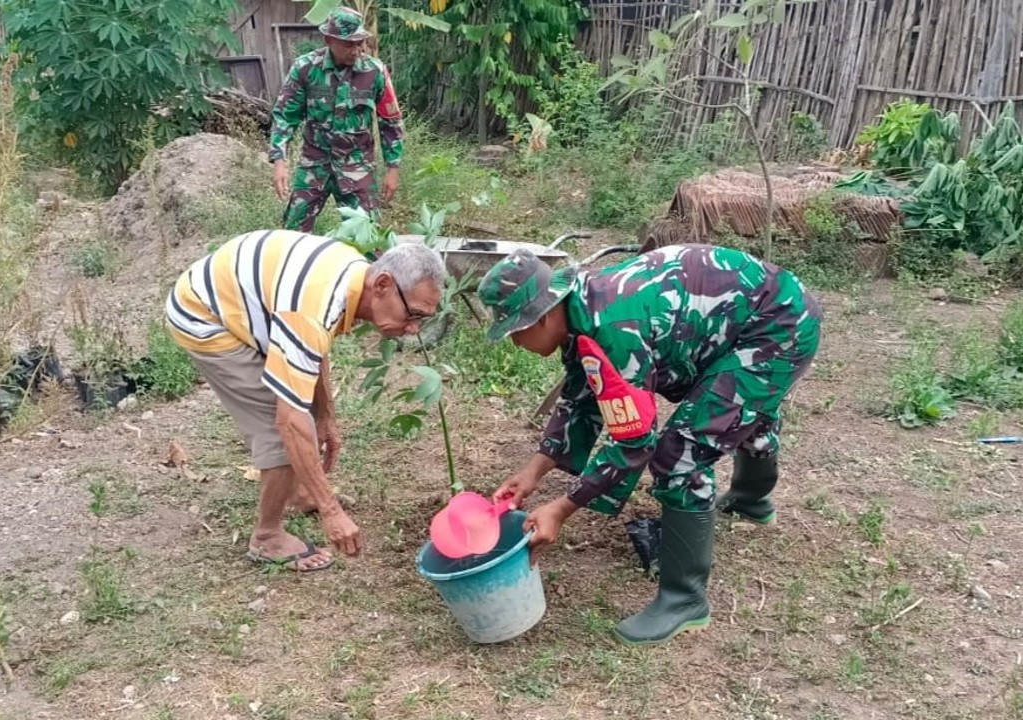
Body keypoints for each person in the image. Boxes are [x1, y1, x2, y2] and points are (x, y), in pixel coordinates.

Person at [478, 244, 821, 644]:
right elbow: (581, 396)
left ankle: (684, 599)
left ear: (546, 312)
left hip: (779, 324)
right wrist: (532, 472)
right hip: (749, 316)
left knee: (681, 454)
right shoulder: (581, 315)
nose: (516, 343)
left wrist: (563, 508)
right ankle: (750, 500)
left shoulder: (613, 328)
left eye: (517, 330)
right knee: (732, 411)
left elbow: (634, 439)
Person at [165, 230, 445, 571]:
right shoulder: (313, 305)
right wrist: (332, 510)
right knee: (279, 428)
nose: (413, 328)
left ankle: (298, 495)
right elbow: (288, 419)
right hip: (205, 316)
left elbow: (313, 347)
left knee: (306, 420)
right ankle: (267, 537)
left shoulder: (354, 276)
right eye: (412, 314)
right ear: (383, 284)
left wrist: (326, 415)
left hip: (245, 299)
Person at [268, 7, 404, 231]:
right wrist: (279, 162)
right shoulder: (306, 68)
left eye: (359, 42)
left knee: (368, 237)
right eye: (348, 44)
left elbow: (391, 122)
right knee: (291, 235)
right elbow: (285, 116)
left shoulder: (375, 72)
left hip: (357, 167)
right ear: (329, 40)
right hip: (314, 165)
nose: (356, 50)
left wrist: (393, 169)